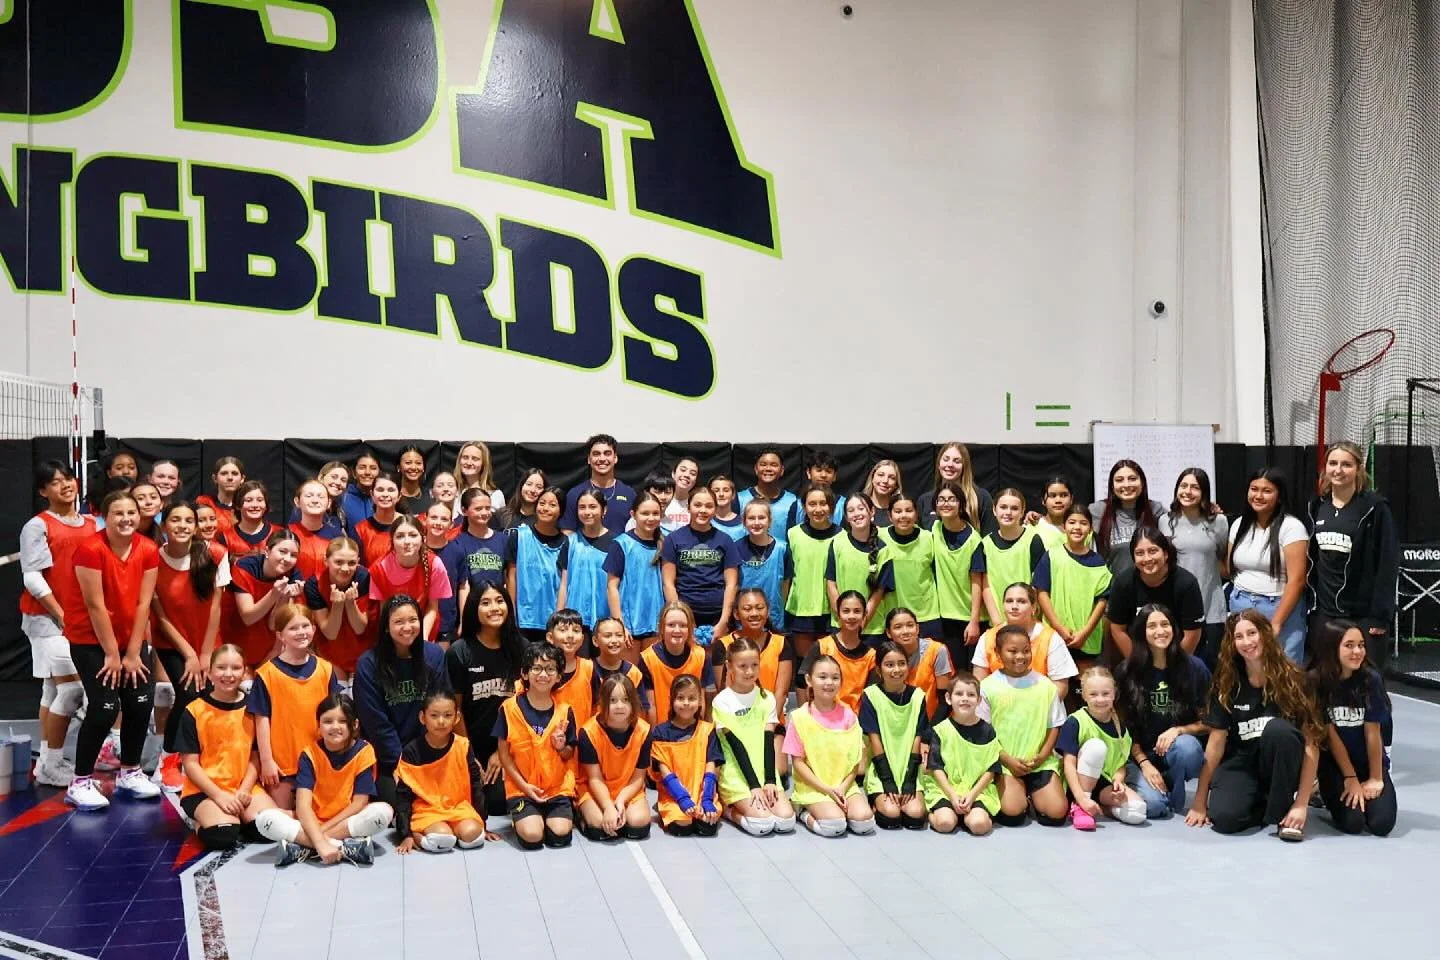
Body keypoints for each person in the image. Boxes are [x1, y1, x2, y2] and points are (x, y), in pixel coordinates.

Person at [63, 490, 162, 811]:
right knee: (105, 707)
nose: (126, 519)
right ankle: (79, 781)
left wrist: (133, 654)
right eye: (118, 513)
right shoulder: (90, 549)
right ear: (105, 517)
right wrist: (113, 655)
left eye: (131, 512)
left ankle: (130, 771)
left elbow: (143, 602)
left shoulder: (148, 549)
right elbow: (95, 605)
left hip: (130, 639)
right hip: (91, 640)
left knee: (139, 702)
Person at [1186, 609, 1322, 840]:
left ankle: (1285, 814)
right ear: (1232, 643)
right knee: (1225, 820)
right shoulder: (1227, 683)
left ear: (1265, 634)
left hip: (1280, 762)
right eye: (1239, 637)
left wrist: (1301, 805)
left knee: (1278, 731)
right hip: (1243, 761)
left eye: (1252, 633)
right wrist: (1200, 801)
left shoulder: (1296, 680)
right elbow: (1216, 744)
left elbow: (1311, 744)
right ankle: (1262, 801)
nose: (1247, 642)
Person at [19, 461, 97, 787]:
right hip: (47, 620)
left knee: (52, 690)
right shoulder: (37, 526)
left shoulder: (94, 524)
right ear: (43, 491)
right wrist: (61, 614)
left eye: (68, 478)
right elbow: (33, 578)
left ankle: (48, 762)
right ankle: (52, 763)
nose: (64, 485)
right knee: (72, 689)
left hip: (83, 618)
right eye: (55, 482)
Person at [253, 694, 394, 866]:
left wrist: (321, 834)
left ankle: (303, 846)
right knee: (263, 819)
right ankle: (344, 847)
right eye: (328, 721)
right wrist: (320, 843)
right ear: (318, 725)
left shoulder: (364, 751)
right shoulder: (309, 754)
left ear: (355, 724)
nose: (335, 727)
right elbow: (303, 806)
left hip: (345, 820)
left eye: (342, 721)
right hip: (312, 818)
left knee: (383, 812)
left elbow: (359, 803)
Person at [151, 500, 229, 792]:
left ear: (196, 527)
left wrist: (206, 654)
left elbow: (215, 609)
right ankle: (168, 760)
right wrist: (190, 655)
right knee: (187, 694)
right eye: (175, 520)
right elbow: (160, 617)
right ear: (164, 525)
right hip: (173, 643)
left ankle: (200, 760)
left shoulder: (215, 554)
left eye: (188, 521)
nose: (182, 526)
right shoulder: (153, 559)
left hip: (208, 642)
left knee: (208, 698)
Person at [175, 644, 279, 849]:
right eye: (221, 668)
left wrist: (245, 790)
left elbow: (255, 757)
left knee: (269, 829)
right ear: (210, 672)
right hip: (205, 790)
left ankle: (239, 816)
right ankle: (201, 819)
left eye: (235, 668)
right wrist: (218, 795)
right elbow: (191, 764)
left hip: (243, 786)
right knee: (223, 836)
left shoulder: (253, 708)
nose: (228, 674)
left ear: (245, 672)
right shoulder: (194, 711)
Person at [353, 595, 449, 811]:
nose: (407, 627)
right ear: (386, 627)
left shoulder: (433, 655)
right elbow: (376, 724)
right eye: (399, 622)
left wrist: (431, 757)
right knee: (403, 805)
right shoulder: (368, 664)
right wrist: (403, 763)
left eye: (413, 620)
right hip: (389, 761)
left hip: (428, 753)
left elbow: (441, 708)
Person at [1308, 441, 1400, 667]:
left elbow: (1387, 565)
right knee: (1326, 679)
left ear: (1358, 469)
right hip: (1325, 612)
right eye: (1333, 463)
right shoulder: (1316, 506)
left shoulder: (1375, 508)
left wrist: (1380, 615)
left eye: (1346, 464)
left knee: (1367, 681)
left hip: (1363, 615)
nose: (1338, 470)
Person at [1115, 605, 1210, 819]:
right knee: (1155, 808)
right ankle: (1143, 789)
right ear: (1141, 632)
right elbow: (1123, 728)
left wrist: (1179, 730)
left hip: (1174, 752)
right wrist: (1144, 763)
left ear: (1174, 629)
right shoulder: (1126, 671)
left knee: (1188, 749)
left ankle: (1170, 782)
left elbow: (1211, 721)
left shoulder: (1194, 668)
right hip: (1137, 755)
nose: (1160, 631)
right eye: (1152, 626)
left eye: (1165, 624)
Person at [1308, 619, 1396, 836]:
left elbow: (1373, 732)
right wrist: (1350, 779)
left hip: (1368, 762)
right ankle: (1322, 788)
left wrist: (1375, 777)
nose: (1357, 651)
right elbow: (1330, 735)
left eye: (1361, 645)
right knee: (1353, 823)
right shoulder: (1315, 681)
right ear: (1331, 648)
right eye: (1349, 646)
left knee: (1381, 824)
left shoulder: (1370, 680)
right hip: (1336, 766)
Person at [249, 604, 341, 808]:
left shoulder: (326, 670)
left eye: (305, 626)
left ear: (314, 630)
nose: (301, 632)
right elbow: (261, 720)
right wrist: (266, 761)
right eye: (293, 628)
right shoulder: (267, 674)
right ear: (280, 635)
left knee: (319, 812)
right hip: (283, 765)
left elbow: (337, 714)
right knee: (284, 816)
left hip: (320, 760)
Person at [446, 583, 525, 817]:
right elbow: (455, 710)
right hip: (470, 745)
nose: (495, 608)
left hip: (509, 747)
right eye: (486, 602)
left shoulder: (522, 648)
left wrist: (503, 753)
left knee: (500, 804)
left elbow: (526, 708)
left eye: (500, 601)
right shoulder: (459, 651)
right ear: (474, 609)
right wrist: (468, 756)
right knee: (476, 803)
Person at [977, 625, 1069, 827]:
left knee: (1056, 814)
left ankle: (1035, 796)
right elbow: (982, 732)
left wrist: (1043, 755)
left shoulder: (1045, 685)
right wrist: (1007, 760)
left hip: (1039, 762)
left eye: (1026, 650)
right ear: (998, 654)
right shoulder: (987, 687)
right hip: (1006, 762)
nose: (1020, 656)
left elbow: (1054, 725)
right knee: (1012, 814)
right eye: (1012, 651)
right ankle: (1020, 796)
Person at [494, 641, 578, 850]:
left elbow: (569, 754)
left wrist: (561, 747)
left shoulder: (565, 711)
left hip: (556, 789)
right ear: (524, 673)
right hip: (522, 789)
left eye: (550, 669)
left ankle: (552, 816)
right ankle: (525, 817)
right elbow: (504, 756)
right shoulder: (508, 708)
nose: (543, 674)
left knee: (559, 836)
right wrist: (525, 787)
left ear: (558, 676)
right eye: (537, 668)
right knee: (533, 837)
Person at [711, 636, 795, 835]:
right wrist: (754, 786)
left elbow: (768, 742)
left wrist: (769, 781)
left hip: (763, 772)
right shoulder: (722, 701)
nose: (749, 671)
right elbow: (736, 746)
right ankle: (728, 810)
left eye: (754, 665)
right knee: (762, 825)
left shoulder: (767, 699)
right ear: (729, 666)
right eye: (742, 666)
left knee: (785, 821)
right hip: (737, 775)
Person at [785, 655, 875, 837]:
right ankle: (803, 811)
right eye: (822, 677)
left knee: (864, 823)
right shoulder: (800, 718)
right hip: (814, 788)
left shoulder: (849, 716)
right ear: (809, 680)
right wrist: (826, 790)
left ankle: (838, 807)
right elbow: (798, 763)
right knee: (834, 826)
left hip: (844, 787)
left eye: (835, 678)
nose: (829, 682)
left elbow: (855, 760)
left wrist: (842, 788)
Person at [1228, 467, 1310, 664]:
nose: (1258, 495)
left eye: (1267, 491)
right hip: (1241, 604)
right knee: (1246, 670)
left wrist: (1277, 622)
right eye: (1254, 489)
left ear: (1279, 496)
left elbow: (1297, 580)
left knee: (1285, 672)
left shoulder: (1292, 527)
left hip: (1279, 608)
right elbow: (1228, 568)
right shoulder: (1239, 524)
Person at [395, 689, 492, 853]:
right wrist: (406, 834)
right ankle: (420, 834)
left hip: (459, 807)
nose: (441, 721)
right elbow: (403, 795)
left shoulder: (463, 745)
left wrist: (482, 823)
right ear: (422, 717)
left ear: (457, 717)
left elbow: (476, 786)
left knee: (474, 836)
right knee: (442, 839)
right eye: (434, 715)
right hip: (427, 810)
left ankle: (454, 832)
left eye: (448, 715)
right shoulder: (412, 750)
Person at [1057, 667, 1148, 829]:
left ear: (1114, 694)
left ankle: (1101, 809)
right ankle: (1080, 805)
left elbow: (1121, 763)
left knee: (1138, 812)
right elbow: (1069, 765)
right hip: (1078, 784)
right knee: (1096, 747)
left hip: (1103, 784)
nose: (1100, 699)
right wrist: (1081, 797)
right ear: (1084, 695)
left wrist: (1118, 781)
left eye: (1106, 694)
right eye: (1093, 694)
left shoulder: (1120, 726)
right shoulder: (1075, 722)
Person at [1158, 468, 1229, 663]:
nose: (1188, 492)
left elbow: (1224, 561)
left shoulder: (1219, 521)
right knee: (1176, 668)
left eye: (1195, 487)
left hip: (1211, 609)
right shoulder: (1165, 521)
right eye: (1183, 486)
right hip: (1175, 610)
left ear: (1204, 493)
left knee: (1209, 670)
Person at [660, 486, 741, 646]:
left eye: (709, 506)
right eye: (697, 505)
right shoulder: (673, 539)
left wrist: (724, 621)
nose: (703, 510)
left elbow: (732, 584)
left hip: (717, 613)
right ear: (688, 507)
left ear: (715, 509)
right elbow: (668, 583)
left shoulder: (725, 540)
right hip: (685, 614)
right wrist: (683, 619)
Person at [1105, 527, 1204, 658]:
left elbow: (1192, 634)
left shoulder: (1186, 583)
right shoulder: (1123, 583)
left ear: (1166, 553)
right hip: (1138, 654)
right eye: (1139, 553)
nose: (1147, 558)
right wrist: (1136, 664)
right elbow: (1118, 629)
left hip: (1179, 656)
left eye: (1153, 551)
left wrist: (1173, 668)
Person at [860, 641, 929, 830]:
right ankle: (875, 801)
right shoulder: (870, 695)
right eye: (889, 665)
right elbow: (875, 741)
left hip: (908, 768)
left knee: (916, 816)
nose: (896, 669)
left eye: (901, 663)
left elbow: (917, 739)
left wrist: (909, 781)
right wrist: (888, 781)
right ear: (879, 669)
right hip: (882, 768)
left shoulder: (918, 696)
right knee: (891, 816)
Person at [1034, 504, 1111, 673]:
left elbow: (1102, 601)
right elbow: (1042, 593)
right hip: (1055, 636)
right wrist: (1059, 627)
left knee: (1084, 690)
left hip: (1087, 639)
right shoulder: (1051, 556)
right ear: (1064, 526)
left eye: (1083, 523)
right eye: (1072, 522)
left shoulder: (1098, 562)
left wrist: (1084, 633)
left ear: (1091, 528)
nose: (1077, 527)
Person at [576, 675, 653, 842]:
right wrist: (608, 807)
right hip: (594, 788)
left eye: (625, 700)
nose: (619, 706)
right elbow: (594, 779)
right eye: (612, 700)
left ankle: (620, 811)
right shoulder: (588, 732)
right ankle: (581, 814)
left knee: (638, 826)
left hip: (627, 788)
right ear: (602, 703)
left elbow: (639, 777)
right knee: (599, 828)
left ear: (633, 702)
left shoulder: (644, 730)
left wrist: (620, 801)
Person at [922, 674, 1000, 835]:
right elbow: (936, 767)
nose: (965, 699)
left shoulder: (988, 731)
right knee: (945, 823)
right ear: (949, 698)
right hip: (945, 789)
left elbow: (991, 769)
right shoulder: (940, 730)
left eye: (971, 695)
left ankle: (974, 815)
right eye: (959, 694)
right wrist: (951, 795)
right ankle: (934, 814)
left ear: (978, 700)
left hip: (977, 791)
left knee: (979, 826)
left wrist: (972, 796)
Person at [971, 583, 1078, 698]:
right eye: (1009, 601)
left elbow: (1060, 686)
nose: (1014, 606)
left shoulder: (1050, 638)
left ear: (1033, 607)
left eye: (1021, 601)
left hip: (1040, 709)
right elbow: (979, 684)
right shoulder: (988, 638)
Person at [650, 675, 724, 836]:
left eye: (691, 698)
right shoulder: (660, 732)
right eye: (680, 698)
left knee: (708, 824)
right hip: (674, 794)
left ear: (700, 701)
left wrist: (707, 799)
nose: (686, 703)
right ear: (672, 700)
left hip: (701, 792)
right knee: (683, 824)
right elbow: (664, 770)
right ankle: (667, 808)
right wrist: (681, 797)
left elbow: (712, 765)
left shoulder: (707, 729)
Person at [226, 529, 303, 670]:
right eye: (282, 551)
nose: (287, 559)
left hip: (267, 644)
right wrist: (274, 594)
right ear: (267, 551)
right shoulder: (246, 566)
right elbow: (248, 617)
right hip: (235, 638)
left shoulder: (294, 575)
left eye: (293, 555)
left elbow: (274, 625)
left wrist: (285, 596)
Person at [368, 514, 452, 643]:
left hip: (424, 630)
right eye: (400, 536)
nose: (407, 542)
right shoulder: (379, 568)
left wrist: (422, 640)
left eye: (413, 535)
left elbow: (432, 607)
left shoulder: (434, 564)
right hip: (393, 634)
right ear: (392, 541)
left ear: (423, 539)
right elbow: (384, 612)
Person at [785, 483, 843, 659]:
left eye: (823, 503)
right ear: (804, 507)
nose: (818, 509)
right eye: (812, 504)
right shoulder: (793, 534)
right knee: (805, 668)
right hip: (801, 611)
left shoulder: (842, 536)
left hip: (830, 613)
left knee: (828, 665)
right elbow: (787, 577)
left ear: (831, 507)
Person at [931, 480, 986, 666]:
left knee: (971, 674)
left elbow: (977, 582)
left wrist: (974, 621)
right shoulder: (934, 529)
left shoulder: (974, 540)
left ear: (961, 505)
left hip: (969, 618)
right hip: (945, 617)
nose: (946, 503)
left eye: (952, 499)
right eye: (941, 499)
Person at [825, 491, 889, 642]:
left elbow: (879, 592)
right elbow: (831, 583)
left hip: (871, 628)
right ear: (846, 517)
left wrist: (860, 624)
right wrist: (844, 620)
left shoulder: (884, 549)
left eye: (861, 508)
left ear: (872, 511)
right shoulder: (837, 543)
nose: (857, 514)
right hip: (840, 626)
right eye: (851, 510)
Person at [305, 538, 372, 684]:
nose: (345, 568)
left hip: (362, 649)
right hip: (331, 651)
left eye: (351, 563)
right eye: (339, 562)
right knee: (338, 697)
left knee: (357, 695)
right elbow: (330, 633)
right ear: (326, 561)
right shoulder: (314, 584)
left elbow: (360, 628)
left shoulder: (365, 577)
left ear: (358, 562)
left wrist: (350, 603)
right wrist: (337, 606)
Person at [506, 485, 566, 643]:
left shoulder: (567, 543)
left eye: (552, 505)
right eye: (542, 503)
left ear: (561, 511)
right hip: (523, 620)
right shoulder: (519, 536)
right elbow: (511, 577)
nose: (546, 508)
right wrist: (511, 615)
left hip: (552, 621)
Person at [555, 490, 621, 633]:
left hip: (605, 622)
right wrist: (558, 618)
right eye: (582, 507)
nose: (587, 512)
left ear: (604, 509)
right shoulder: (571, 542)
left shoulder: (617, 543)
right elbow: (564, 584)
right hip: (575, 622)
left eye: (592, 506)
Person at [876, 495, 942, 638]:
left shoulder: (928, 538)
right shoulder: (879, 537)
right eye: (898, 511)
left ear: (916, 514)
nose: (904, 515)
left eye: (909, 510)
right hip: (893, 616)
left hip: (927, 615)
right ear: (889, 515)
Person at [979, 488, 1046, 624]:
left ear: (1022, 512)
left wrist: (1027, 619)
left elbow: (1039, 586)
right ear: (994, 510)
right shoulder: (985, 544)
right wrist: (997, 623)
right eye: (1003, 507)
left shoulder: (1033, 540)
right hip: (997, 623)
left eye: (1014, 508)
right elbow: (985, 587)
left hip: (1027, 623)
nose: (1008, 512)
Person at [608, 492, 666, 647]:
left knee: (653, 671)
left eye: (655, 513)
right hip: (629, 624)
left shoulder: (666, 543)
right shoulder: (621, 544)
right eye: (645, 513)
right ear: (633, 514)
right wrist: (619, 625)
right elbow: (612, 587)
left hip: (656, 623)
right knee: (628, 671)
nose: (651, 518)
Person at [640, 602, 711, 725]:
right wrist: (655, 737)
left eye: (683, 625)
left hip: (694, 732)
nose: (677, 630)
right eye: (671, 625)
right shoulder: (647, 659)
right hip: (662, 733)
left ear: (690, 629)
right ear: (661, 628)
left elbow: (703, 701)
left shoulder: (702, 656)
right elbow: (651, 706)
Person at [446, 488, 509, 626]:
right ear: (464, 511)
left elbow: (508, 579)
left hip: (497, 611)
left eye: (487, 508)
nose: (484, 513)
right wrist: (464, 621)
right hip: (472, 612)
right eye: (478, 509)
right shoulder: (458, 543)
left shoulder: (503, 540)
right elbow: (463, 585)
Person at [1090, 459, 1166, 573]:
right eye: (1119, 480)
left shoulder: (1155, 509)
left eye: (1132, 479)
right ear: (1112, 485)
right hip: (1112, 588)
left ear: (1142, 482)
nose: (1126, 485)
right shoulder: (1098, 510)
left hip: (1149, 586)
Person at [804, 590, 876, 712]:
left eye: (857, 611)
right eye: (846, 611)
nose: (851, 616)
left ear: (865, 615)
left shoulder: (871, 655)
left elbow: (871, 697)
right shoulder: (822, 646)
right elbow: (803, 685)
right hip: (822, 717)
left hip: (855, 722)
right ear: (838, 614)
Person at [883, 607, 952, 720]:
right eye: (898, 627)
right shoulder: (885, 656)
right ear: (888, 633)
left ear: (917, 628)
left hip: (932, 722)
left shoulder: (937, 650)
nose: (905, 631)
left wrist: (929, 732)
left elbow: (945, 701)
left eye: (910, 625)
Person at [736, 499, 792, 635]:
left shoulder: (782, 549)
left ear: (770, 521)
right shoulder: (735, 548)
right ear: (744, 522)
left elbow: (785, 586)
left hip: (774, 619)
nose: (756, 522)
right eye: (751, 518)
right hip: (744, 620)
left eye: (761, 518)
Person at [562, 434, 636, 531]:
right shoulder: (574, 494)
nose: (602, 459)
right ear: (589, 459)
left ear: (615, 458)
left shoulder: (630, 494)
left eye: (607, 453)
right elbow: (567, 532)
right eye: (596, 454)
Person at [917, 442, 994, 534]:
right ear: (938, 464)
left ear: (964, 466)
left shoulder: (981, 497)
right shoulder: (924, 500)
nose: (950, 464)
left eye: (956, 461)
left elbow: (989, 538)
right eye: (946, 459)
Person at [544, 608, 595, 721]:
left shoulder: (589, 668)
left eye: (576, 630)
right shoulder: (540, 670)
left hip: (581, 736)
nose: (570, 635)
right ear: (550, 637)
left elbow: (598, 706)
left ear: (582, 639)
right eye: (563, 630)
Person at [737, 448, 797, 542]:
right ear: (756, 469)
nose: (768, 469)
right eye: (763, 464)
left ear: (781, 470)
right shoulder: (740, 499)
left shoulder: (792, 501)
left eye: (774, 465)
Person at [289, 479, 341, 581]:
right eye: (309, 496)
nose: (315, 500)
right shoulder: (287, 534)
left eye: (320, 497)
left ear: (329, 503)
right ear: (297, 501)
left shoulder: (338, 538)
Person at [219, 480, 278, 560]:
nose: (255, 505)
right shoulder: (226, 538)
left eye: (260, 500)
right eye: (249, 500)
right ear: (238, 505)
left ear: (266, 505)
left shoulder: (278, 534)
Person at [352, 473, 402, 565]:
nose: (385, 494)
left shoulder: (410, 526)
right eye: (380, 490)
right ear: (372, 495)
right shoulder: (360, 530)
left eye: (391, 490)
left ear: (399, 495)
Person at [196, 456, 245, 540]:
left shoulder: (248, 507)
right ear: (215, 478)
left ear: (242, 479)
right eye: (224, 473)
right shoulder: (204, 503)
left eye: (234, 473)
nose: (230, 477)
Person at [454, 441, 507, 512]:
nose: (469, 463)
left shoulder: (495, 496)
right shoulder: (451, 493)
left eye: (475, 459)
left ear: (484, 464)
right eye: (465, 457)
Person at [1030, 477, 1077, 551]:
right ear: (1043, 500)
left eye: (1064, 495)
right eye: (1052, 495)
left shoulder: (1081, 530)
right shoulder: (1031, 527)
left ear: (1071, 499)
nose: (1058, 500)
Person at [340, 453, 380, 532]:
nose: (367, 472)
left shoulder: (386, 498)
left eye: (373, 468)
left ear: (379, 472)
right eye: (362, 468)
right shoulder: (343, 498)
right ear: (354, 473)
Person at [662, 457, 701, 531]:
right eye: (683, 470)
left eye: (692, 473)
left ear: (695, 481)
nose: (687, 475)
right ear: (673, 474)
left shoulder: (697, 504)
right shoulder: (661, 499)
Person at [862, 459, 902, 527]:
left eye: (891, 478)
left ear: (896, 484)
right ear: (872, 477)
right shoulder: (860, 505)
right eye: (881, 475)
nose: (885, 480)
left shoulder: (901, 509)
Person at [395, 446, 431, 516]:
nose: (414, 467)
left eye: (418, 463)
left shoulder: (432, 496)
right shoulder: (392, 496)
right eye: (408, 463)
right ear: (398, 467)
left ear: (424, 468)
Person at [708, 474, 745, 539]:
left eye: (726, 490)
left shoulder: (744, 523)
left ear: (733, 495)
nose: (721, 494)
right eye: (716, 491)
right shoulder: (706, 522)